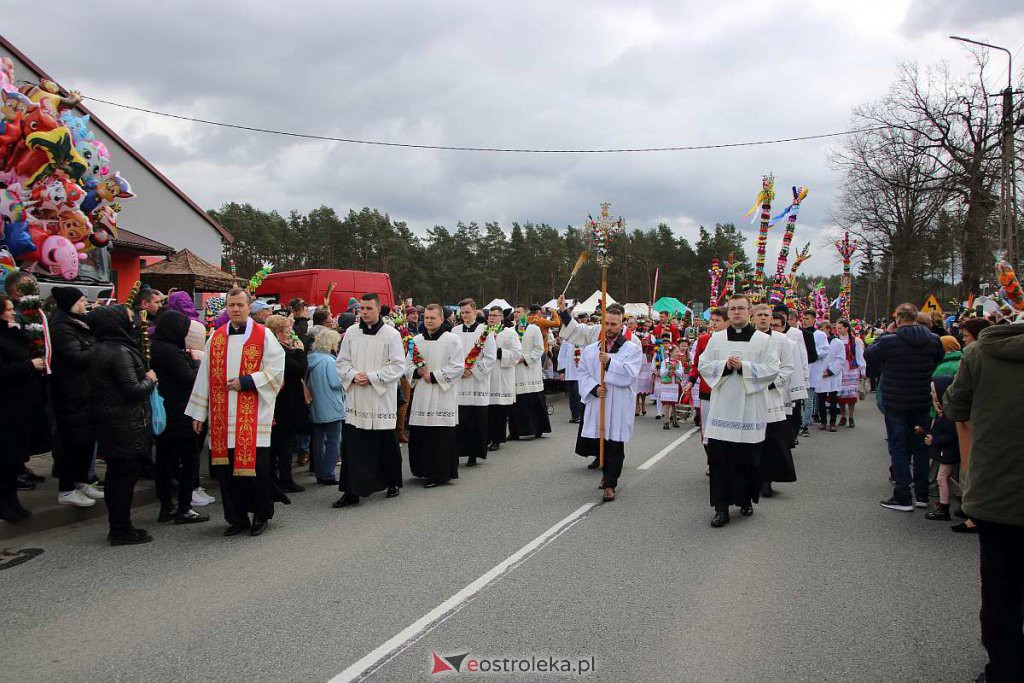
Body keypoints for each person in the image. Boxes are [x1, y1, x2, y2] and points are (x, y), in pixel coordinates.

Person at [943, 318, 1024, 683]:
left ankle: (1005, 671)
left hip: (996, 489)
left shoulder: (978, 353)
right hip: (997, 490)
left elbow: (956, 407)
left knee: (1000, 589)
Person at [186, 288, 286, 537]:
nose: (236, 309)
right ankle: (237, 517)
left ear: (249, 306)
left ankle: (261, 514)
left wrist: (247, 381)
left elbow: (276, 370)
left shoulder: (263, 335)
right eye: (231, 305)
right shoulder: (216, 338)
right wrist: (198, 412)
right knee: (227, 473)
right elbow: (204, 376)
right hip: (222, 419)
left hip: (253, 417)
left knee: (256, 471)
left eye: (240, 305)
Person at [698, 294, 779, 527]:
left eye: (741, 308)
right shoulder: (716, 338)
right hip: (722, 409)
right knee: (719, 461)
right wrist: (724, 366)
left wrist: (745, 366)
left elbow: (773, 368)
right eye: (732, 309)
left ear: (749, 312)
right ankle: (720, 508)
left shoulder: (763, 340)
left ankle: (745, 500)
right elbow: (704, 364)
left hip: (750, 408)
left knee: (747, 460)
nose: (736, 312)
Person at [88, 305, 158, 545]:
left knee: (118, 475)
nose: (134, 322)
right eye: (129, 319)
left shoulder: (99, 348)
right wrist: (149, 379)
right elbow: (132, 389)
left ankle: (121, 525)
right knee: (123, 477)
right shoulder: (119, 352)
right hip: (124, 423)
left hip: (112, 421)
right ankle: (121, 528)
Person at [864, 303, 944, 512]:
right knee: (920, 445)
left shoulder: (890, 340)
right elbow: (938, 359)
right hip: (921, 400)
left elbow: (869, 355)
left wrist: (885, 333)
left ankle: (903, 495)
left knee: (898, 447)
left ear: (898, 318)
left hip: (896, 401)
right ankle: (922, 494)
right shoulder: (933, 340)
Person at [333, 293, 406, 507]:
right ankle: (352, 491)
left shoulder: (391, 334)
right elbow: (341, 361)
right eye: (361, 309)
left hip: (380, 398)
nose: (364, 312)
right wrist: (354, 375)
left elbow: (398, 365)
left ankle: (392, 482)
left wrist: (372, 377)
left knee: (386, 444)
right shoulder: (351, 333)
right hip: (357, 397)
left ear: (378, 309)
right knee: (354, 446)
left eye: (368, 308)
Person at [574, 303, 642, 502]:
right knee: (601, 441)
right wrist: (594, 388)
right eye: (607, 324)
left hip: (618, 403)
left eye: (614, 324)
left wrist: (610, 362)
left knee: (615, 444)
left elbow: (630, 375)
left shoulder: (631, 349)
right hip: (599, 401)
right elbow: (583, 373)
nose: (610, 328)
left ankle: (611, 483)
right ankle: (605, 473)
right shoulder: (590, 350)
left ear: (621, 325)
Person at [150, 310, 209, 524]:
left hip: (163, 412)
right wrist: (195, 363)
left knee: (164, 460)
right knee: (189, 459)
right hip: (180, 412)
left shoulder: (153, 346)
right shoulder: (171, 352)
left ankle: (166, 506)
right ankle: (184, 507)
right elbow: (189, 379)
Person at [48, 286, 103, 507]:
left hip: (86, 390)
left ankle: (81, 481)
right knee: (70, 442)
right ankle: (67, 488)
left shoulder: (79, 323)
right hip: (70, 392)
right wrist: (98, 348)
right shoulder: (61, 327)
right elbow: (77, 357)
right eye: (80, 301)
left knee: (86, 441)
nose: (84, 304)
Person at [0, 294, 47, 522]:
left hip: (20, 403)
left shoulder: (11, 333)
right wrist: (29, 365)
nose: (12, 313)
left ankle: (12, 499)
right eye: (8, 309)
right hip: (5, 405)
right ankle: (3, 502)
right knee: (5, 456)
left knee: (14, 457)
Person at [406, 304, 463, 487]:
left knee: (439, 435)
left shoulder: (452, 340)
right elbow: (407, 365)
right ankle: (422, 469)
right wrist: (416, 372)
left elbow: (458, 367)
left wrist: (434, 376)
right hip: (422, 393)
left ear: (441, 319)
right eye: (426, 318)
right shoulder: (416, 340)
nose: (429, 321)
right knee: (421, 433)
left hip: (442, 393)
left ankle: (439, 474)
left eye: (433, 318)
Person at [753, 303, 797, 498]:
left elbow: (788, 367)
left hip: (771, 396)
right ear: (753, 317)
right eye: (759, 314)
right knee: (751, 440)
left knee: (771, 441)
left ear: (771, 317)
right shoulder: (747, 338)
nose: (763, 318)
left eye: (766, 315)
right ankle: (751, 477)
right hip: (751, 394)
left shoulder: (782, 340)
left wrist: (773, 383)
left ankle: (767, 480)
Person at [449, 298, 497, 467]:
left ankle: (473, 454)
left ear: (475, 312)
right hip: (459, 381)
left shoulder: (485, 331)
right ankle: (457, 452)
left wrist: (472, 370)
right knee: (460, 419)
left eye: (467, 312)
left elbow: (490, 357)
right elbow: (451, 355)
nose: (464, 315)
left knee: (476, 420)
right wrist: (459, 370)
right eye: (462, 313)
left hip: (477, 382)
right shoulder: (454, 331)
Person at [265, 314, 308, 494]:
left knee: (278, 443)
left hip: (283, 403)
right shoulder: (279, 351)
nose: (291, 333)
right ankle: (284, 479)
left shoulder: (278, 349)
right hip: (285, 404)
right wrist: (300, 351)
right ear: (278, 333)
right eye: (287, 330)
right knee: (283, 444)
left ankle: (276, 478)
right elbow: (299, 370)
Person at [306, 328, 345, 485]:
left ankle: (319, 471)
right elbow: (336, 383)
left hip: (316, 404)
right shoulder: (329, 361)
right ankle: (328, 473)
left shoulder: (311, 359)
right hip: (332, 404)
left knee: (318, 440)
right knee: (333, 441)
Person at [509, 304, 551, 440]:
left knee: (533, 400)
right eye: (515, 312)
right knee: (516, 404)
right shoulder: (510, 330)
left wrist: (525, 358)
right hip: (515, 371)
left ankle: (538, 428)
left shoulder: (533, 329)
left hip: (530, 370)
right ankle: (515, 431)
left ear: (526, 314)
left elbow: (539, 349)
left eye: (518, 312)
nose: (515, 314)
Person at [922, 376, 959, 522]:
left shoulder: (948, 414)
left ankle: (944, 508)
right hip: (947, 450)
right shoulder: (943, 410)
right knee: (947, 477)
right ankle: (963, 498)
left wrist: (934, 440)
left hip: (948, 450)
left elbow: (951, 435)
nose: (931, 394)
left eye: (933, 392)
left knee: (941, 478)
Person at [487, 306, 522, 451]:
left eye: (495, 315)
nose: (491, 318)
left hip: (501, 375)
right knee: (487, 410)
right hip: (487, 375)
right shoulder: (484, 332)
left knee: (499, 409)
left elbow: (516, 354)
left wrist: (499, 352)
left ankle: (497, 439)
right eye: (490, 315)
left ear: (501, 317)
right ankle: (487, 437)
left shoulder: (510, 333)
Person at [777, 306, 809, 441]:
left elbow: (802, 356)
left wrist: (804, 378)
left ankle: (792, 435)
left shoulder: (795, 334)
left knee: (793, 409)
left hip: (792, 375)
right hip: (775, 379)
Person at [800, 309, 829, 431]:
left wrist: (812, 353)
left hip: (813, 369)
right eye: (803, 318)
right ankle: (802, 420)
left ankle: (806, 422)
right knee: (800, 399)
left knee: (809, 399)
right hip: (801, 370)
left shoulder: (820, 335)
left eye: (807, 318)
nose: (804, 321)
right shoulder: (799, 333)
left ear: (813, 320)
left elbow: (825, 350)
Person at [834, 319, 866, 428]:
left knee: (851, 395)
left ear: (846, 328)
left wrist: (862, 370)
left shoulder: (856, 341)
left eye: (840, 328)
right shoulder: (836, 340)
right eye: (837, 328)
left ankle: (851, 417)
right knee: (840, 395)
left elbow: (860, 356)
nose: (838, 330)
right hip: (840, 369)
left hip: (851, 369)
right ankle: (843, 416)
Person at [816, 322, 846, 432]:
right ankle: (823, 421)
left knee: (833, 400)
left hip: (832, 375)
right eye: (819, 329)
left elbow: (841, 359)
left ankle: (833, 422)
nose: (821, 332)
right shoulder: (817, 342)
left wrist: (829, 371)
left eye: (823, 329)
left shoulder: (838, 342)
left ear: (828, 329)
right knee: (820, 400)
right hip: (820, 374)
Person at [655, 343, 684, 429]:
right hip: (666, 386)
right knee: (666, 404)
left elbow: (680, 374)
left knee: (674, 404)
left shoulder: (679, 362)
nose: (678, 353)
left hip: (675, 385)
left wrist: (675, 370)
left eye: (679, 351)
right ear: (671, 353)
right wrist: (668, 369)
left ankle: (674, 419)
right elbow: (662, 374)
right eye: (676, 351)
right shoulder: (665, 362)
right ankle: (666, 421)